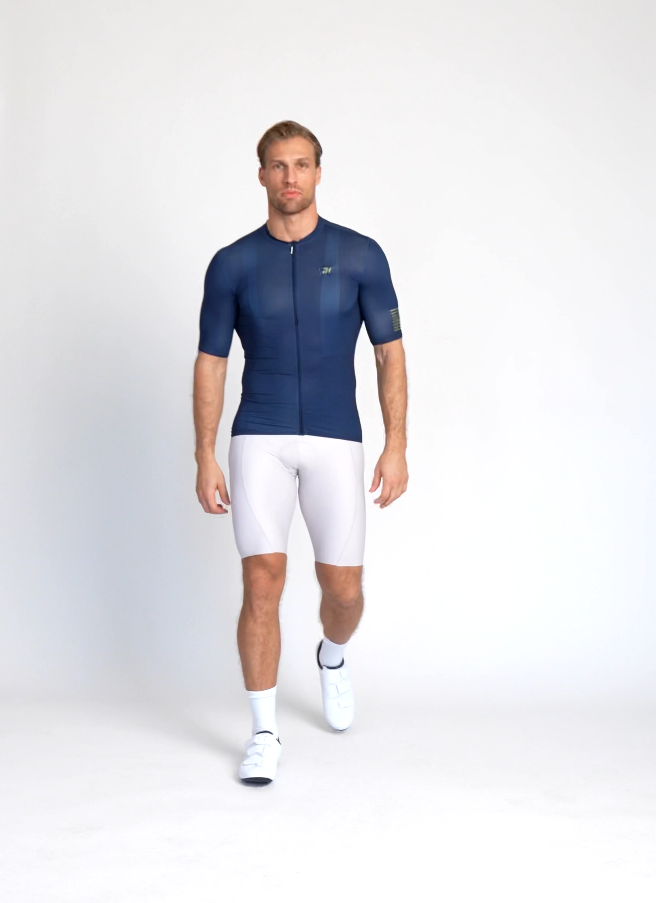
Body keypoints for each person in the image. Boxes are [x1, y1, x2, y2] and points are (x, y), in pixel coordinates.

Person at [192, 120, 408, 785]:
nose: (291, 177)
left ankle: (332, 656)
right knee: (262, 579)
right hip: (259, 433)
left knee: (343, 589)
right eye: (279, 166)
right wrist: (204, 454)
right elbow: (210, 363)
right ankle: (263, 731)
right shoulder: (232, 263)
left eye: (302, 164)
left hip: (336, 437)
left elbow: (389, 353)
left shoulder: (361, 255)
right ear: (261, 175)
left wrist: (397, 444)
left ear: (318, 172)